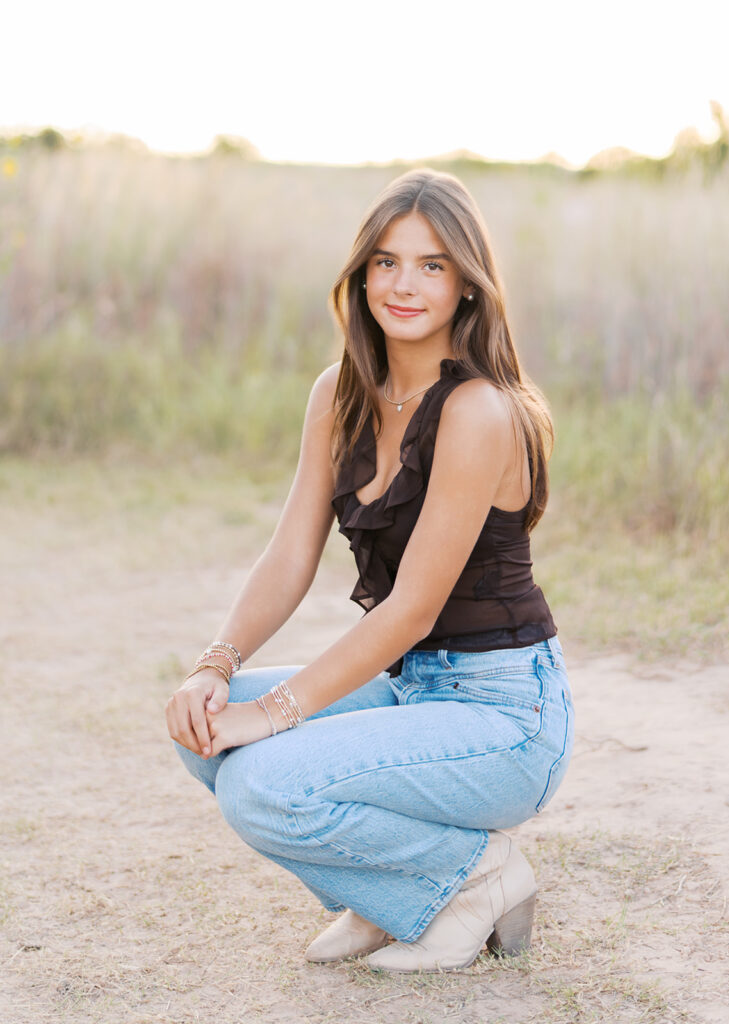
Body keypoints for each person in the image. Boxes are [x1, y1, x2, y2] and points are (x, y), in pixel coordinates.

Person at [165, 168, 574, 973]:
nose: (403, 284)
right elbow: (290, 554)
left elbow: (412, 608)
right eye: (386, 262)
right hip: (416, 687)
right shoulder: (340, 393)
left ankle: (476, 878)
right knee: (204, 731)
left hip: (504, 716)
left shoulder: (478, 410)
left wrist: (275, 713)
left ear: (467, 283)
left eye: (431, 265)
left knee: (260, 784)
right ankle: (393, 896)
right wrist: (217, 666)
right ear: (361, 275)